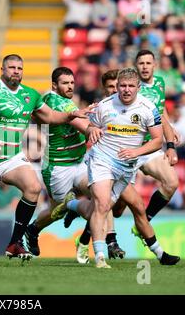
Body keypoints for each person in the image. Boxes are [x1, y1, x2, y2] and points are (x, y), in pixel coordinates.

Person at [0, 54, 95, 266]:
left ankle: (15, 242)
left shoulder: (30, 95)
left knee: (32, 187)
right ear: (2, 70)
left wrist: (73, 114)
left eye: (19, 68)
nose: (16, 71)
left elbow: (50, 117)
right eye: (11, 67)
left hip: (13, 157)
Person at [86, 68, 180, 268]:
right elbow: (90, 126)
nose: (126, 90)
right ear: (117, 86)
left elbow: (156, 140)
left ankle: (160, 254)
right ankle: (100, 256)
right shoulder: (104, 105)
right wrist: (92, 129)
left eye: (130, 86)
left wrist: (136, 153)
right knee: (102, 204)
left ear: (138, 87)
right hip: (103, 160)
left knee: (134, 207)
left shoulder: (148, 108)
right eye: (122, 86)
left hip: (127, 166)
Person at [23, 67, 105, 261]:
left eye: (71, 83)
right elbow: (81, 124)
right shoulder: (54, 101)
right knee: (56, 211)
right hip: (57, 168)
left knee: (101, 197)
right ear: (54, 85)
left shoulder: (68, 102)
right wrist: (92, 128)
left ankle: (90, 243)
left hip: (78, 164)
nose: (70, 87)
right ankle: (32, 230)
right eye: (65, 83)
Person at [59, 69, 127, 262]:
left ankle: (76, 217)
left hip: (124, 162)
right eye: (111, 87)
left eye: (118, 86)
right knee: (113, 203)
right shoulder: (100, 109)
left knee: (114, 207)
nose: (115, 90)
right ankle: (111, 241)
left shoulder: (131, 107)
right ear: (104, 89)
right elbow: (88, 130)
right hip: (102, 162)